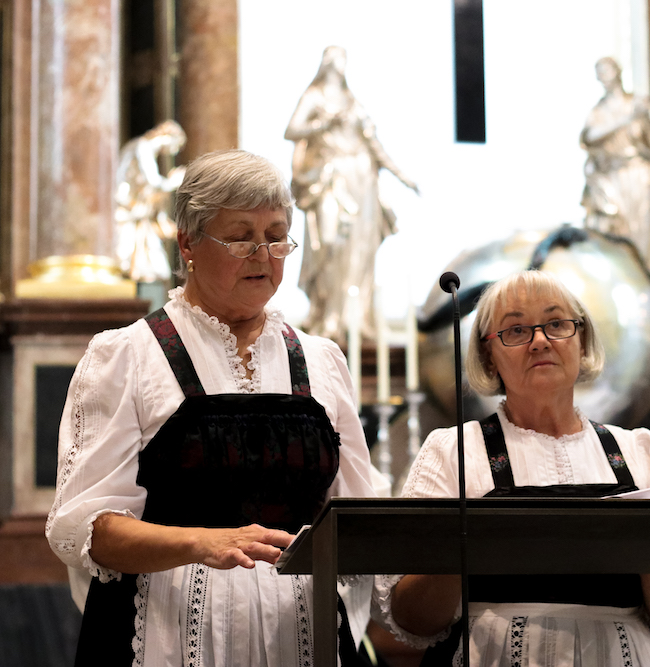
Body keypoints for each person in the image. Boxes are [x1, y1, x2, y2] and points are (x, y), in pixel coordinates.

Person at [46, 149, 376, 666]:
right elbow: (89, 528)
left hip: (302, 635)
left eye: (276, 235)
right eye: (241, 236)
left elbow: (358, 519)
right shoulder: (129, 355)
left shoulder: (321, 360)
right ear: (188, 243)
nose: (263, 254)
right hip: (165, 634)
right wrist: (202, 542)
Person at [372, 270, 650, 666]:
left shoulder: (636, 449)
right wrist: (463, 544)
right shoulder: (454, 451)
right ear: (489, 355)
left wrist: (640, 548)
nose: (540, 341)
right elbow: (411, 618)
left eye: (556, 324)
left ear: (582, 340)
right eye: (516, 330)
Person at [285, 45, 419, 342]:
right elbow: (291, 130)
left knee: (360, 250)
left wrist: (402, 176)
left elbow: (375, 146)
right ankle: (327, 315)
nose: (339, 64)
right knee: (330, 244)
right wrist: (322, 124)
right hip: (331, 178)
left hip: (362, 181)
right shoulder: (314, 96)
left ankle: (354, 318)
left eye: (343, 59)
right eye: (335, 59)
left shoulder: (353, 102)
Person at [580, 56, 650, 277]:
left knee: (646, 242)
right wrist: (626, 119)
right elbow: (590, 138)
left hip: (641, 177)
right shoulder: (599, 112)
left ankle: (648, 285)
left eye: (606, 71)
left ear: (618, 72)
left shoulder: (639, 104)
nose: (603, 77)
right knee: (620, 242)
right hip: (614, 180)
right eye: (599, 73)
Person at [114, 119, 188, 283]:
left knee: (151, 267)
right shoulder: (143, 146)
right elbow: (153, 183)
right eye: (174, 146)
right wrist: (173, 182)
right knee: (130, 260)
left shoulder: (141, 146)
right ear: (168, 137)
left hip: (136, 212)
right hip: (128, 210)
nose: (171, 151)